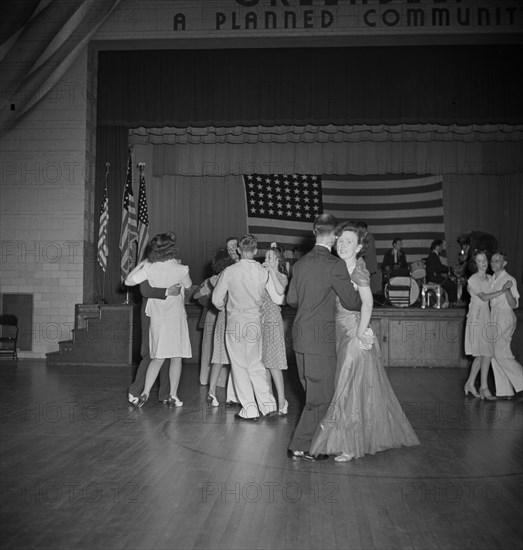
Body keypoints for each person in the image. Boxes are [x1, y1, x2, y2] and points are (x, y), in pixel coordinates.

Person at [310, 222, 419, 462]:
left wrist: (360, 332)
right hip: (336, 334)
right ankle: (352, 437)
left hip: (353, 334)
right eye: (340, 241)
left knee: (346, 390)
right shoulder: (335, 267)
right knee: (352, 389)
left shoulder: (358, 270)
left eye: (349, 242)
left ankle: (349, 444)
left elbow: (367, 303)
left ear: (359, 247)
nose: (343, 245)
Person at [286, 214, 364, 462]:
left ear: (314, 232)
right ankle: (301, 445)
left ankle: (317, 441)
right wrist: (360, 286)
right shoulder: (334, 265)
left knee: (313, 395)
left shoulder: (299, 265)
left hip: (299, 338)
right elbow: (352, 303)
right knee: (320, 398)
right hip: (320, 341)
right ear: (334, 236)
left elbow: (292, 300)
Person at [212, 234, 277, 421]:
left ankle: (249, 408)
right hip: (255, 320)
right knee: (256, 364)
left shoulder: (230, 271)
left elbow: (216, 299)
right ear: (256, 250)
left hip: (236, 321)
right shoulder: (262, 272)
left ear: (239, 250)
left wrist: (222, 307)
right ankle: (268, 405)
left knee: (239, 366)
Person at [125, 232, 192, 408]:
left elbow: (129, 281)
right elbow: (189, 285)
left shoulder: (150, 268)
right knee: (176, 357)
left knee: (157, 357)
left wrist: (141, 265)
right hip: (176, 317)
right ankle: (173, 395)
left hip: (157, 318)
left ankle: (145, 393)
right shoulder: (181, 269)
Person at [462, 251, 509, 400]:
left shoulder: (490, 278)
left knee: (486, 353)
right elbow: (483, 297)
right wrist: (501, 291)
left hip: (486, 316)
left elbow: (498, 283)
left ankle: (475, 385)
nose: (483, 263)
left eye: (484, 260)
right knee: (481, 353)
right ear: (475, 264)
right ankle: (480, 387)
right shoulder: (473, 279)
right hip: (476, 318)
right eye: (480, 261)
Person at [127, 281, 180, 406]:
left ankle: (165, 394)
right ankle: (135, 392)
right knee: (149, 353)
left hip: (167, 311)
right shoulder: (148, 265)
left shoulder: (171, 266)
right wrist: (167, 291)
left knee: (167, 352)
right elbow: (145, 290)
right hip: (150, 311)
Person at [200, 249, 236, 407]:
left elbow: (214, 300)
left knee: (218, 358)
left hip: (221, 318)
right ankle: (232, 395)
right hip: (235, 318)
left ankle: (211, 392)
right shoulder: (233, 275)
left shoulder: (214, 279)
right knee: (236, 359)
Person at [489, 253, 523, 400]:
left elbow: (514, 305)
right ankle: (504, 391)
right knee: (493, 354)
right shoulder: (492, 280)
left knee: (502, 353)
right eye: (492, 260)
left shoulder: (509, 279)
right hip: (494, 316)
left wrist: (507, 290)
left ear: (504, 263)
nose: (494, 263)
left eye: (498, 260)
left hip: (504, 315)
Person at [261, 243, 289, 416]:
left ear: (277, 260)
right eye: (265, 257)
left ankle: (282, 401)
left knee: (274, 364)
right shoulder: (261, 275)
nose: (266, 260)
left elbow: (279, 293)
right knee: (263, 364)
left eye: (270, 257)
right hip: (260, 321)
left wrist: (271, 271)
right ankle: (269, 400)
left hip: (273, 320)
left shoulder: (282, 276)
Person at [426, 239, 458, 305]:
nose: (442, 248)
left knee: (449, 282)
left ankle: (447, 302)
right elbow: (440, 267)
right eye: (441, 246)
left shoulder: (433, 255)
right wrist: (450, 269)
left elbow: (439, 267)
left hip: (434, 277)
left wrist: (449, 269)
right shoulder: (433, 256)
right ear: (437, 247)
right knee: (452, 285)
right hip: (434, 278)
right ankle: (452, 303)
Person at [356, 221, 380, 294]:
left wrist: (357, 254)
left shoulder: (369, 237)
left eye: (359, 229)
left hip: (368, 263)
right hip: (366, 263)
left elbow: (367, 251)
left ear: (364, 228)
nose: (359, 231)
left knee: (368, 282)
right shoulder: (364, 237)